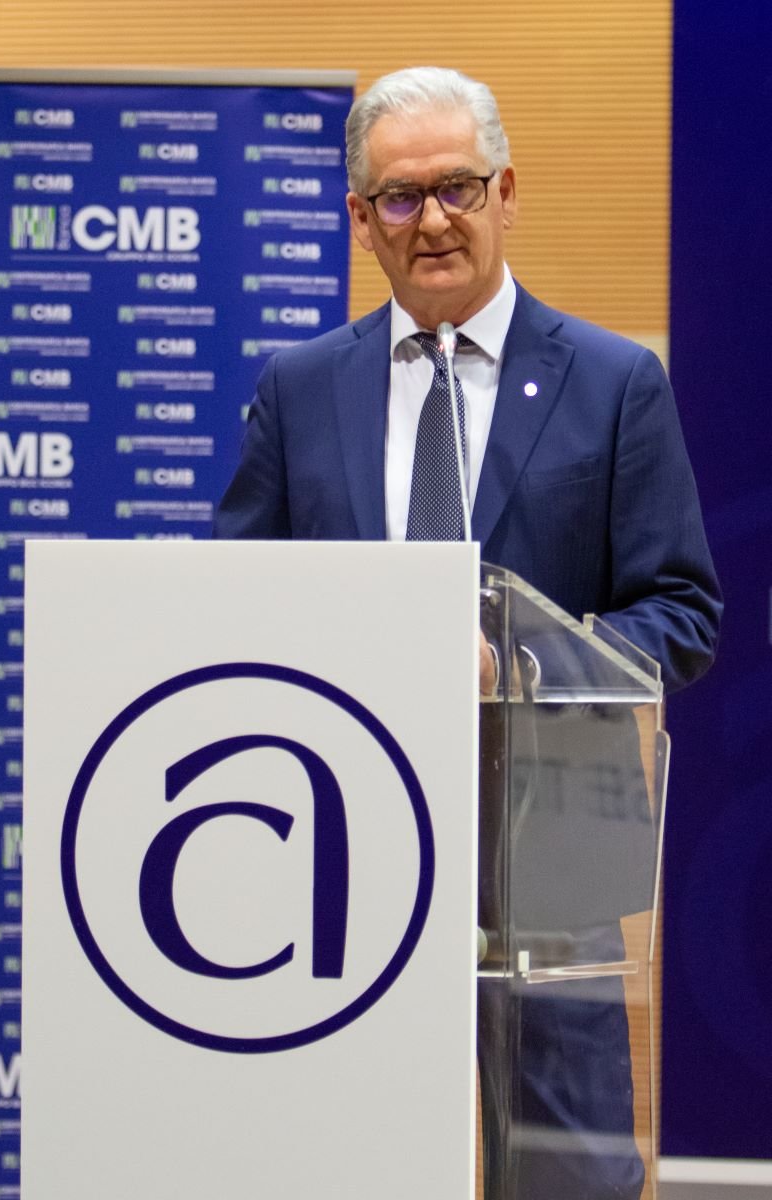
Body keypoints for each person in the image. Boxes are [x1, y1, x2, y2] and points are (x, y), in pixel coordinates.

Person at [215, 67, 721, 1199]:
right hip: (339, 865)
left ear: (507, 194)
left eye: (458, 187)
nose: (432, 219)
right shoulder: (298, 389)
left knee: (569, 1180)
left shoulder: (613, 383)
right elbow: (238, 604)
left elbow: (682, 612)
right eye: (400, 197)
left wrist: (520, 663)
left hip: (550, 873)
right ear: (361, 221)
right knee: (340, 1170)